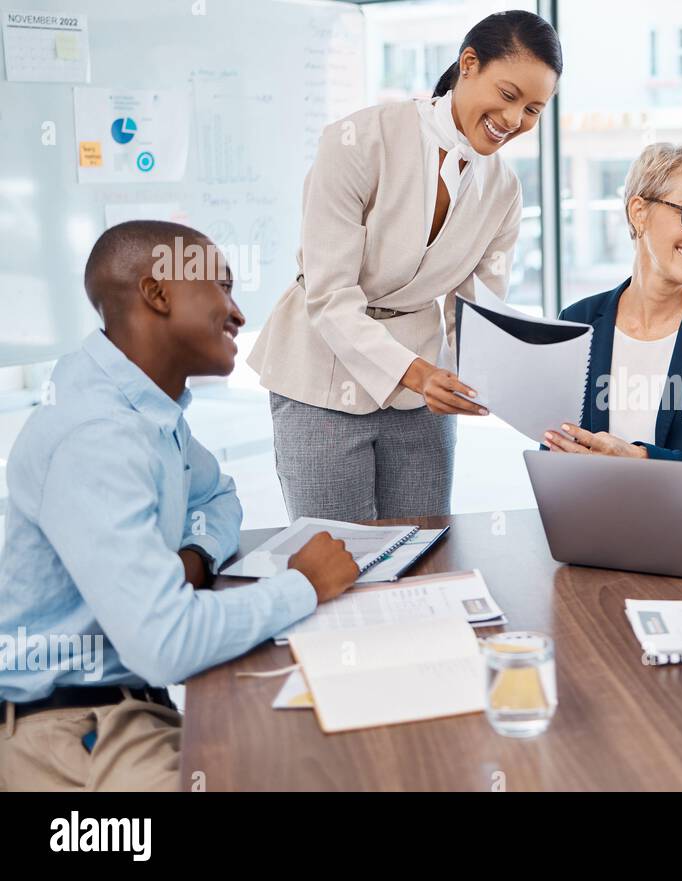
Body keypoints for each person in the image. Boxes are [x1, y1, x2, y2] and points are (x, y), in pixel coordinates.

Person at [0, 221, 359, 791]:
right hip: (73, 732)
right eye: (221, 285)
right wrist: (303, 584)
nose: (239, 314)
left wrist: (192, 557)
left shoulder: (145, 414)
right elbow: (166, 645)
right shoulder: (97, 435)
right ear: (157, 292)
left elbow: (218, 495)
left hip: (125, 711)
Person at [248, 11, 562, 521]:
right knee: (337, 556)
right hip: (321, 375)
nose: (513, 120)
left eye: (532, 109)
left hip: (422, 395)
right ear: (468, 64)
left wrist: (499, 383)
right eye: (507, 95)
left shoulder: (504, 189)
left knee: (423, 553)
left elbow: (476, 308)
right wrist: (414, 373)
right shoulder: (358, 140)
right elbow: (329, 295)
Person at [543, 143, 682, 492]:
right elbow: (554, 446)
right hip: (594, 516)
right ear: (639, 212)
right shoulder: (578, 321)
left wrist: (637, 461)